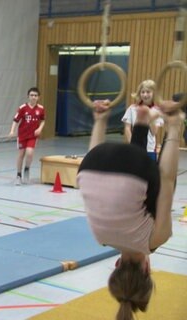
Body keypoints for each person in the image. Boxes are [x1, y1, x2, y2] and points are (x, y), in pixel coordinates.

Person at [77, 99, 183, 320]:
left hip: (133, 170)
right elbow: (97, 182)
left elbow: (167, 179)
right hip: (91, 162)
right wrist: (100, 121)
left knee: (153, 191)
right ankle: (141, 123)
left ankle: (147, 123)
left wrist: (174, 127)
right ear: (116, 265)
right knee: (127, 195)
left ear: (146, 270)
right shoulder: (100, 238)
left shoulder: (154, 240)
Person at [9, 87, 46, 185]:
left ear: (38, 97)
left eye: (35, 95)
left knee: (29, 153)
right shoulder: (22, 108)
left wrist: (39, 129)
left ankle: (27, 169)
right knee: (21, 154)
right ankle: (18, 175)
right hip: (22, 135)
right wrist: (12, 130)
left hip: (33, 135)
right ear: (28, 96)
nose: (33, 97)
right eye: (31, 95)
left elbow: (43, 121)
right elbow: (15, 120)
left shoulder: (41, 109)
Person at [121, 79, 164, 160]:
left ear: (154, 93)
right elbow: (127, 128)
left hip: (149, 149)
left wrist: (150, 117)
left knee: (148, 171)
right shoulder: (132, 108)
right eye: (143, 92)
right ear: (139, 93)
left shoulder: (157, 111)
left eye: (148, 92)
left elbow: (154, 132)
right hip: (134, 147)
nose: (145, 94)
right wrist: (132, 143)